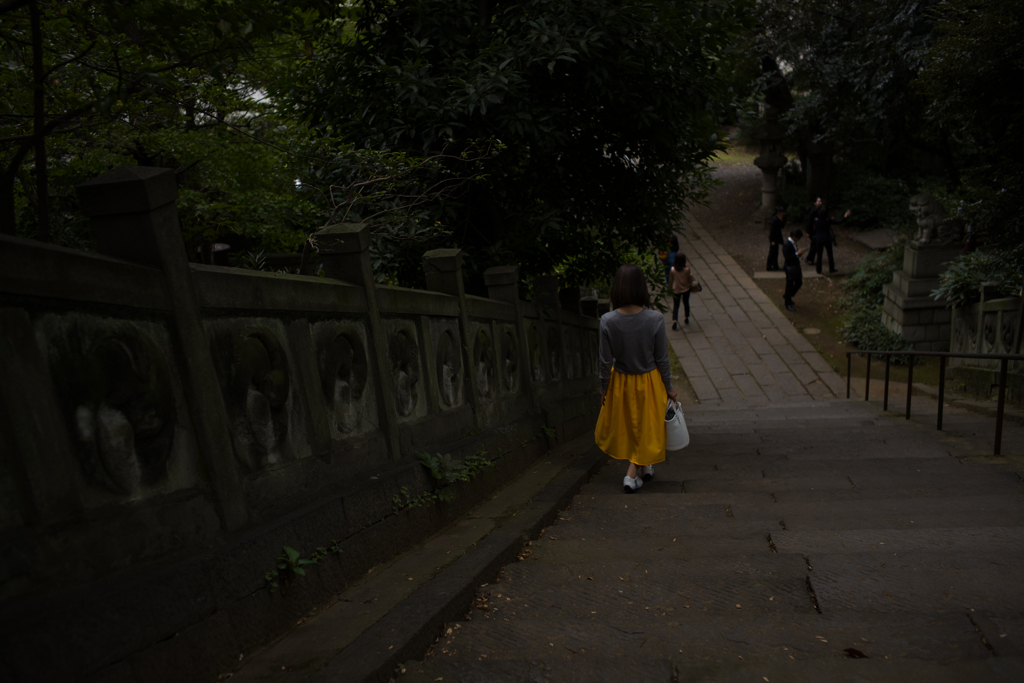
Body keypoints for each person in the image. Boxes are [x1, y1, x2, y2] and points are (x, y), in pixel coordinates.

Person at [595, 264, 678, 493]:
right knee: (647, 425)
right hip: (650, 381)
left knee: (631, 425)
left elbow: (604, 362)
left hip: (621, 381)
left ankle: (646, 465)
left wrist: (604, 387)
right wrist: (669, 387)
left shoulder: (607, 321)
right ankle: (631, 475)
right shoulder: (655, 319)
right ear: (642, 287)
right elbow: (662, 359)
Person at [808, 205, 851, 274]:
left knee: (819, 255)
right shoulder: (828, 220)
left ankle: (818, 270)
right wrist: (845, 216)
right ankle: (831, 268)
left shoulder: (817, 221)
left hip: (819, 239)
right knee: (830, 255)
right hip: (827, 239)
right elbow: (838, 222)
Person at [670, 252, 697, 329]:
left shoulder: (672, 270)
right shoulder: (687, 269)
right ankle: (686, 317)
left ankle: (675, 320)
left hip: (676, 290)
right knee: (686, 303)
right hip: (686, 289)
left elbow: (671, 280)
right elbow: (690, 278)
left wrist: (670, 288)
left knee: (676, 305)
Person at [782, 228, 806, 312]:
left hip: (795, 266)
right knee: (789, 284)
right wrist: (797, 254)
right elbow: (788, 258)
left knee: (799, 282)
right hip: (790, 268)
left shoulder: (794, 243)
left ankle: (788, 295)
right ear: (794, 237)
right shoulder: (786, 245)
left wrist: (799, 254)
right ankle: (787, 302)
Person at [766, 205, 786, 271]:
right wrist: (772, 240)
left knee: (775, 252)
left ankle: (775, 265)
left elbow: (782, 226)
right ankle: (769, 266)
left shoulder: (778, 219)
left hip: (776, 238)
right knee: (772, 252)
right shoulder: (774, 220)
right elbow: (772, 231)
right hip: (774, 238)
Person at [804, 197, 822, 265]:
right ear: (815, 203)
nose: (820, 203)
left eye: (820, 201)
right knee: (814, 245)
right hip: (813, 231)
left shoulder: (818, 210)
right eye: (819, 201)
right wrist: (808, 232)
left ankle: (809, 259)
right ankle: (810, 259)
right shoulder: (814, 211)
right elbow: (810, 222)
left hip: (815, 231)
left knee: (813, 245)